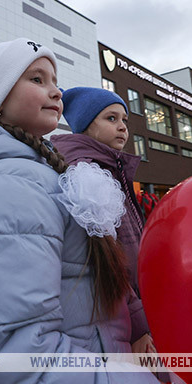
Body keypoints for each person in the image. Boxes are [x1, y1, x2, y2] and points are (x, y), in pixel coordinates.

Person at [0, 39, 163, 384]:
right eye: (37, 79)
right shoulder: (1, 185)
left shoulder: (37, 173)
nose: (55, 91)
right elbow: (14, 359)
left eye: (54, 80)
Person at [50, 87, 155, 354]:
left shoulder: (111, 167)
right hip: (114, 317)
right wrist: (139, 326)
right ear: (86, 124)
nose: (122, 127)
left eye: (124, 120)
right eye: (111, 118)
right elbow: (108, 259)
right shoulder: (87, 173)